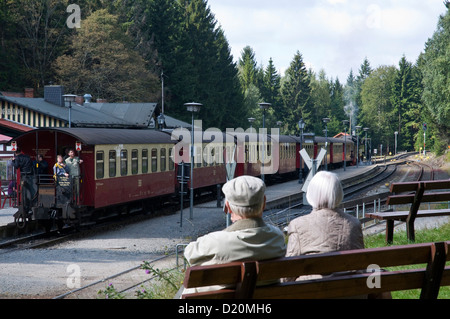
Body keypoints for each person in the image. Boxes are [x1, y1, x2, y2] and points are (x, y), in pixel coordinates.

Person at [179, 175, 286, 297]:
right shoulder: (277, 237)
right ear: (264, 203)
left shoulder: (215, 242)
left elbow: (190, 254)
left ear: (228, 207)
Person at [285, 171, 364, 281]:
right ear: (338, 194)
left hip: (312, 292)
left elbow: (288, 273)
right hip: (351, 292)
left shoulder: (297, 225)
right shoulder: (354, 223)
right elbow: (361, 265)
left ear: (310, 194)